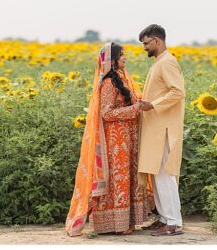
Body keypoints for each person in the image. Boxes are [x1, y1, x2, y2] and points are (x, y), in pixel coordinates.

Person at [65, 43, 154, 236]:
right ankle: (116, 224)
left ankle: (127, 222)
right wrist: (135, 109)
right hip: (115, 140)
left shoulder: (123, 78)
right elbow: (106, 113)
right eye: (122, 55)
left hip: (128, 138)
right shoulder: (108, 83)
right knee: (117, 179)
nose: (125, 58)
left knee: (128, 177)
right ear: (112, 60)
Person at [136, 24, 187, 237]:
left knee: (165, 175)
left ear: (157, 40)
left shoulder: (167, 62)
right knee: (157, 175)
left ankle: (174, 223)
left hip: (164, 128)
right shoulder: (160, 62)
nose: (144, 48)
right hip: (155, 128)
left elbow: (178, 92)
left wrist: (153, 105)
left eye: (146, 43)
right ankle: (165, 219)